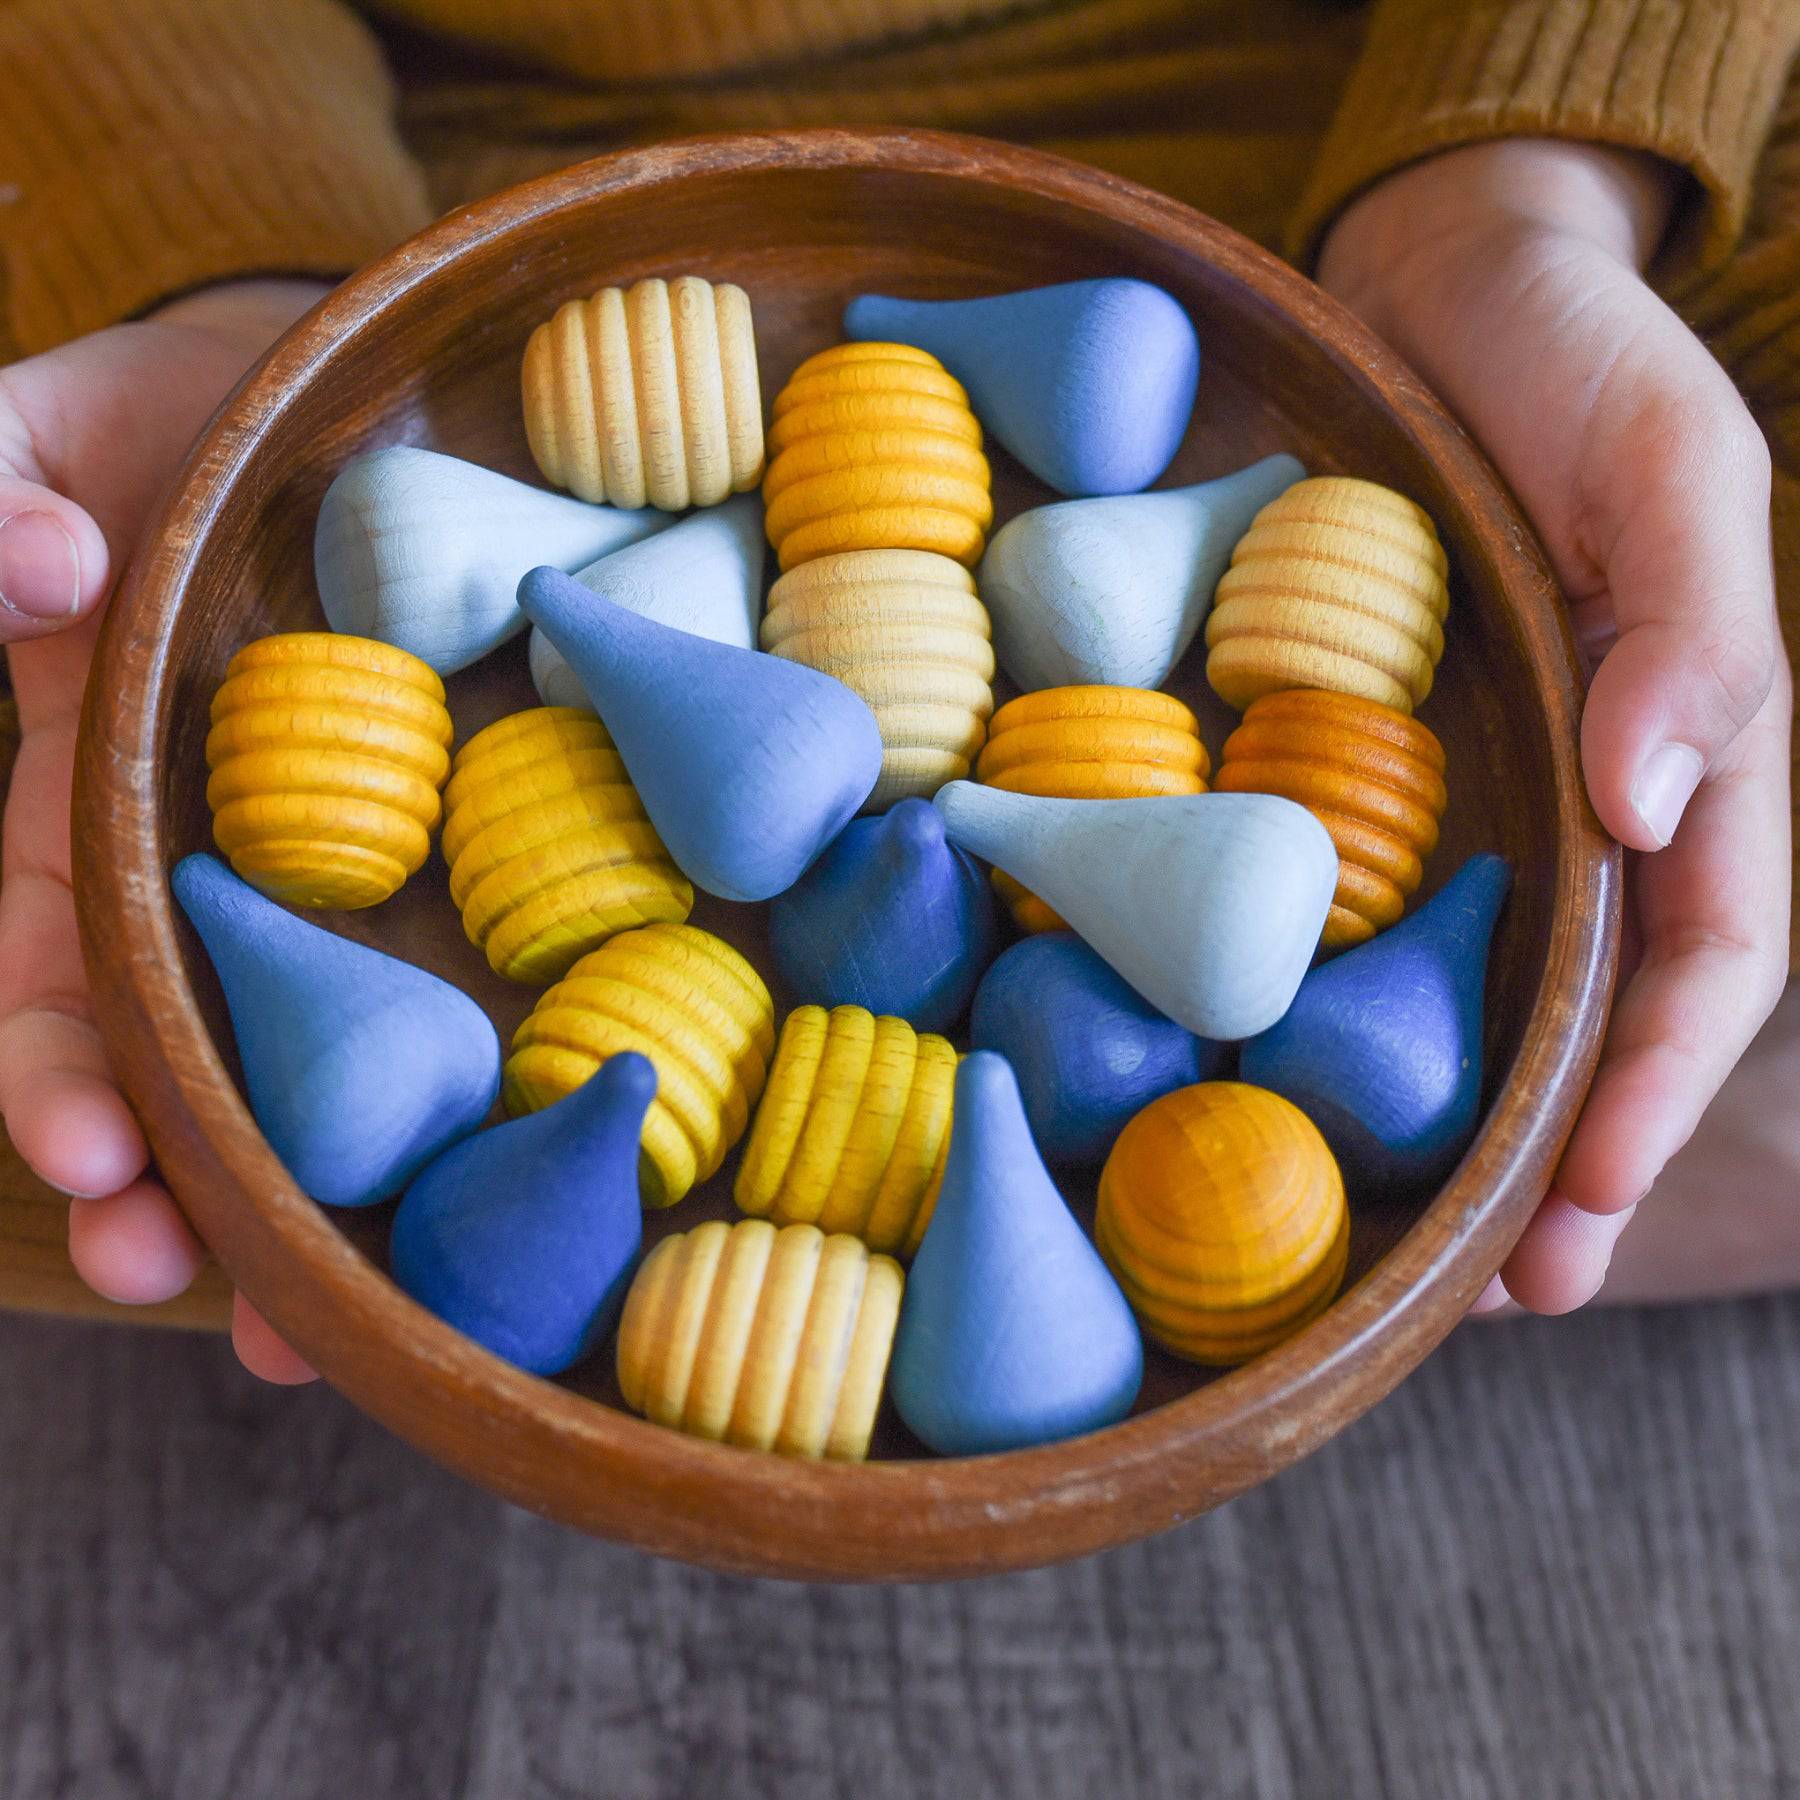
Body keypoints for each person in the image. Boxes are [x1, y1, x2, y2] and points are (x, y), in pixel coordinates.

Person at [0, 0, 1793, 1382]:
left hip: (1364, 136)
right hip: (459, 194)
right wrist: (233, 268)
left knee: (1700, 731)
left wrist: (1522, 191)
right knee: (85, 1016)